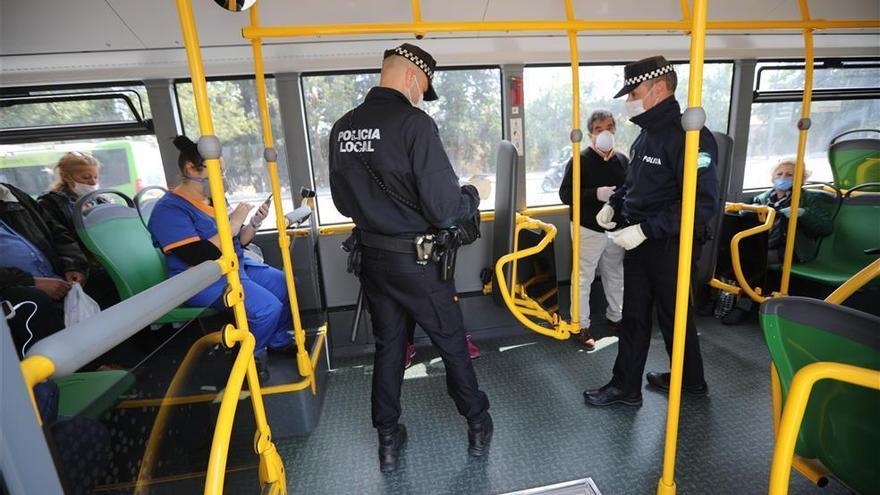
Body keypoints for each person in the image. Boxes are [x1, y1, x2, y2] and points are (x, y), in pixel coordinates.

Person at [329, 43, 492, 473]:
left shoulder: (342, 127)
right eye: (423, 88)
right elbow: (444, 208)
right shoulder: (415, 125)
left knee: (389, 347)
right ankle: (477, 422)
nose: (421, 96)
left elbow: (344, 203)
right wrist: (474, 193)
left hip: (372, 261)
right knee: (451, 343)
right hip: (418, 264)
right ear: (410, 78)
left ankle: (387, 438)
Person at [584, 56, 719, 407]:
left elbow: (699, 204)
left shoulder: (690, 137)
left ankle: (690, 382)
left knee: (674, 318)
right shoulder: (647, 136)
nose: (630, 100)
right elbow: (635, 182)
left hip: (671, 243)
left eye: (634, 92)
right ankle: (627, 387)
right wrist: (615, 202)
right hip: (641, 241)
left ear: (658, 89)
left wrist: (646, 229)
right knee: (635, 317)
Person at [146, 136, 294, 378]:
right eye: (217, 172)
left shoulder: (214, 200)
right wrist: (234, 222)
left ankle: (277, 340)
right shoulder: (169, 210)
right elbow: (198, 255)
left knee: (285, 284)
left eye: (222, 172)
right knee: (267, 309)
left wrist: (254, 222)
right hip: (202, 278)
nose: (221, 179)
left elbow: (239, 242)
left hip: (236, 265)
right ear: (191, 169)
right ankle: (247, 358)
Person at [721, 158, 833, 325]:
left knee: (754, 258)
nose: (783, 177)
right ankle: (722, 298)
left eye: (789, 174)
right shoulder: (762, 199)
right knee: (728, 252)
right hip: (761, 245)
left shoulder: (809, 199)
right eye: (779, 174)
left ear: (800, 179)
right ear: (773, 178)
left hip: (791, 248)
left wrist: (804, 214)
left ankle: (744, 306)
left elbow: (825, 227)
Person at [558, 109, 627, 350]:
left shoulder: (622, 161)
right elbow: (565, 194)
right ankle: (580, 324)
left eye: (609, 127)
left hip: (615, 228)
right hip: (587, 227)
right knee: (583, 278)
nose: (605, 133)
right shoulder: (580, 160)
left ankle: (616, 318)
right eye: (599, 129)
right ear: (590, 135)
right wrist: (595, 194)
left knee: (615, 274)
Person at [0, 182, 89, 357]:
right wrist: (31, 282)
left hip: (51, 273)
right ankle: (56, 375)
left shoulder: (10, 194)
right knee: (34, 300)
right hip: (13, 285)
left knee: (103, 280)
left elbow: (55, 230)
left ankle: (112, 358)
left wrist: (73, 264)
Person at [38, 152, 120, 309]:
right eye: (86, 178)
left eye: (95, 177)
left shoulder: (99, 199)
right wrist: (76, 265)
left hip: (106, 256)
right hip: (83, 262)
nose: (93, 182)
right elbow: (61, 239)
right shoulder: (51, 204)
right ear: (67, 177)